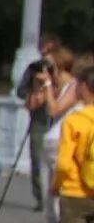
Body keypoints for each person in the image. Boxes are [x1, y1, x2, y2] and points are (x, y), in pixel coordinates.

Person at [47, 54, 94, 223]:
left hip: (75, 195)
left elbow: (64, 163)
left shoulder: (75, 121)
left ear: (85, 89)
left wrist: (56, 186)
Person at [32, 48, 84, 223]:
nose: (47, 71)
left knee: (61, 207)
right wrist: (41, 85)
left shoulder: (74, 87)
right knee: (49, 208)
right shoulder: (54, 86)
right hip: (51, 148)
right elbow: (34, 105)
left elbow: (54, 109)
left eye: (51, 67)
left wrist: (49, 90)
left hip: (64, 152)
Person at [17, 34, 64, 212]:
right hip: (39, 119)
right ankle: (41, 198)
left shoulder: (61, 70)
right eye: (43, 49)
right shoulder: (34, 68)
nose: (45, 54)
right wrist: (33, 92)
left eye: (49, 50)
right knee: (37, 159)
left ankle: (57, 195)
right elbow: (20, 91)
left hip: (58, 119)